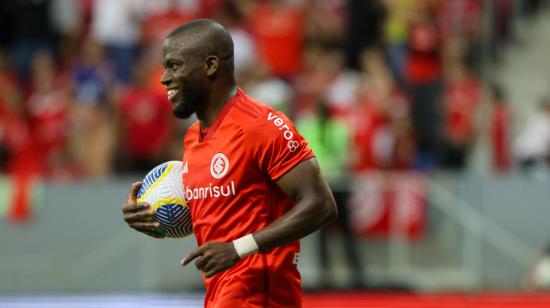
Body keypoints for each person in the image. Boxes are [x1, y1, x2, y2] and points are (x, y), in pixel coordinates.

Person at [122, 19, 338, 307]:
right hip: (220, 298)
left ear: (210, 66)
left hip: (261, 298)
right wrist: (152, 218)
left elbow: (321, 204)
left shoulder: (259, 126)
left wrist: (238, 248)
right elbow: (217, 220)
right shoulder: (192, 140)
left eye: (174, 66)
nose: (164, 78)